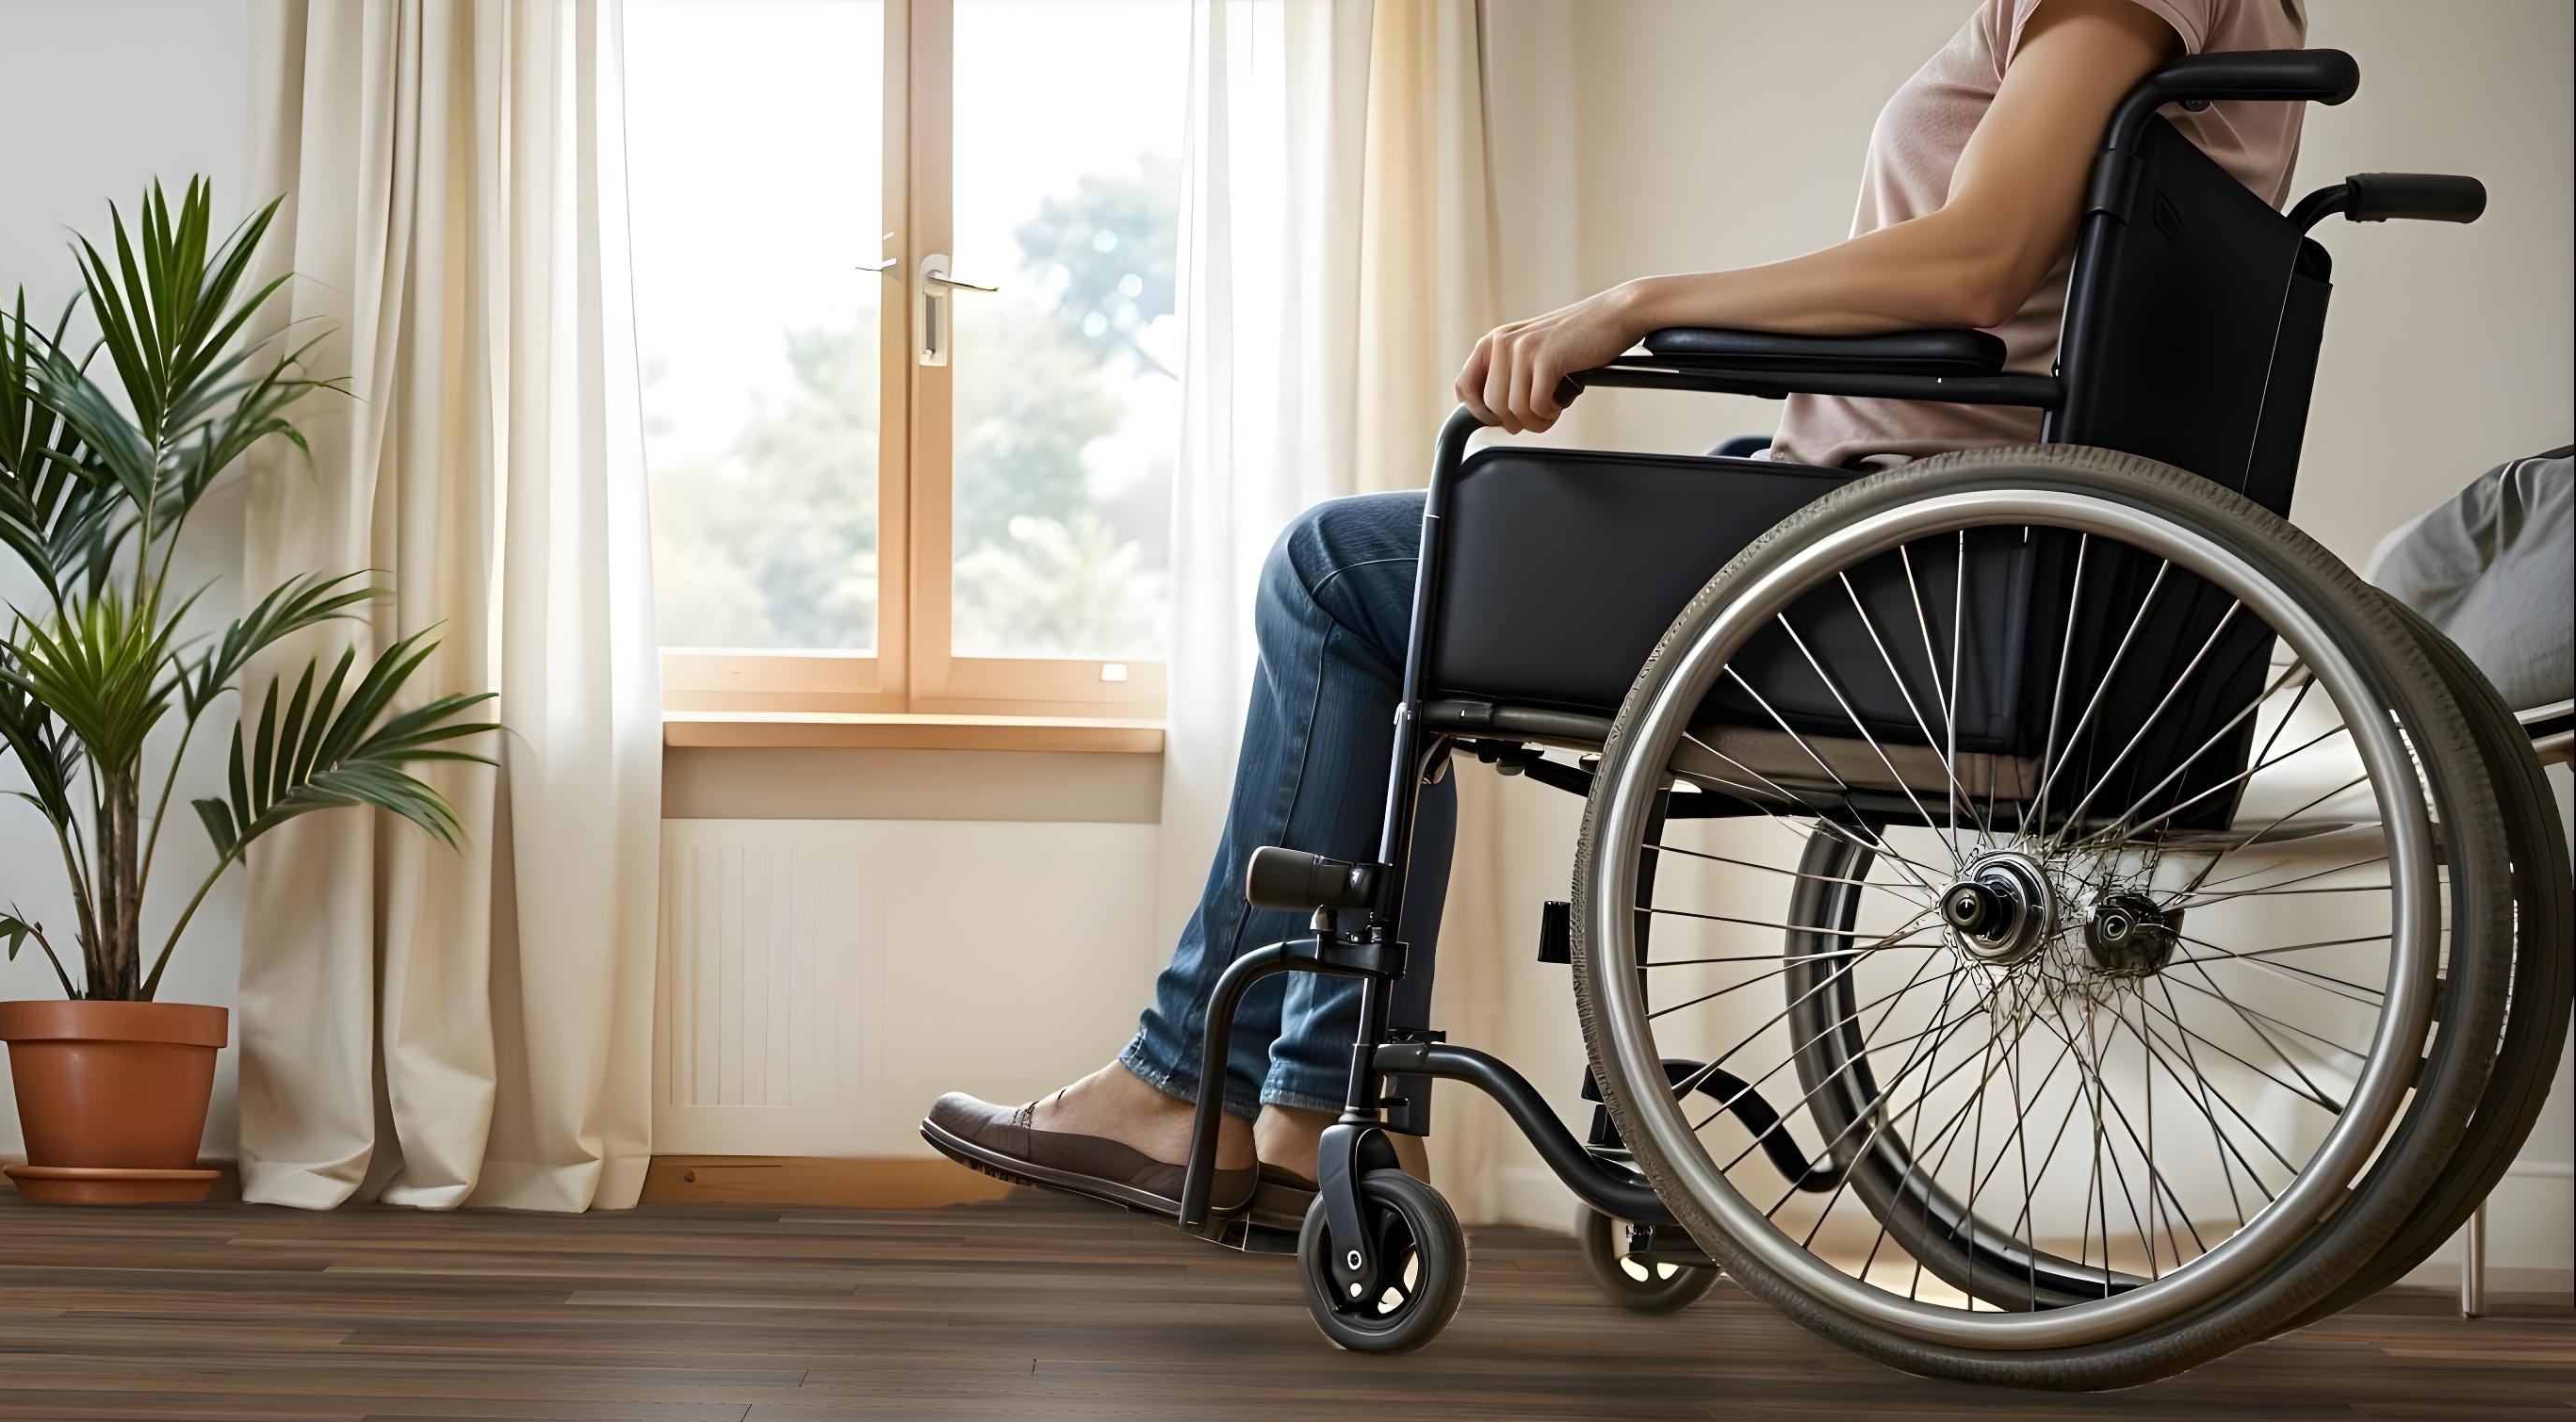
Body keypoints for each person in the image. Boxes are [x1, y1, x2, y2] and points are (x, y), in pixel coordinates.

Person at [924, 0, 2311, 1231]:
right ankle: (1304, 1111)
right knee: (1420, 601)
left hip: (1885, 574)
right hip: (1920, 552)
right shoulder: (2230, 40)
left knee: (1341, 573)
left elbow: (1975, 265)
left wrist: (1632, 305)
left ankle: (1199, 1086)